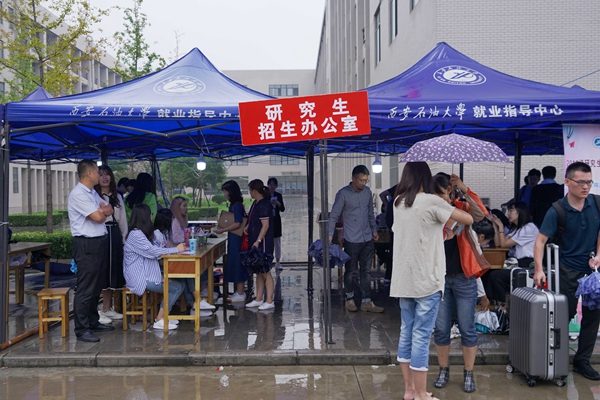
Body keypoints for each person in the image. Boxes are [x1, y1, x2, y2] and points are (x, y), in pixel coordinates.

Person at [391, 162, 473, 400]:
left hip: (404, 279)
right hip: (427, 279)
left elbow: (418, 230)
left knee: (407, 331)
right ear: (425, 178)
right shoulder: (432, 201)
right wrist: (447, 201)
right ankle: (421, 395)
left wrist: (441, 229)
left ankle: (409, 390)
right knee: (421, 335)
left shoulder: (398, 202)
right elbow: (468, 218)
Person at [535, 162, 600, 380]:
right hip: (567, 270)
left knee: (592, 316)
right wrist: (538, 269)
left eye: (589, 182)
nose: (585, 186)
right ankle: (556, 361)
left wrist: (599, 255)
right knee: (563, 316)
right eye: (580, 182)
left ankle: (582, 362)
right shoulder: (558, 210)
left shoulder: (597, 203)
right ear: (567, 182)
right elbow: (540, 241)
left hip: (592, 271)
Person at [432, 173, 486, 393]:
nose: (436, 198)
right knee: (441, 328)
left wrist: (463, 188)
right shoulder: (431, 211)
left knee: (467, 328)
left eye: (440, 193)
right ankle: (443, 370)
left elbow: (481, 214)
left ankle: (468, 373)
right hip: (439, 278)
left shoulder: (461, 207)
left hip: (464, 277)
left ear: (448, 190)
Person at [68, 159, 115, 342]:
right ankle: (81, 329)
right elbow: (98, 217)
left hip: (99, 242)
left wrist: (101, 212)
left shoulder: (92, 193)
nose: (99, 175)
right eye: (97, 172)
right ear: (89, 173)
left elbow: (109, 209)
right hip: (86, 244)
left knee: (96, 286)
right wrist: (100, 213)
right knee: (86, 287)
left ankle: (93, 321)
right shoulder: (78, 194)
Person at [329, 165, 383, 313]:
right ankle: (349, 299)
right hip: (352, 239)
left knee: (366, 271)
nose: (363, 183)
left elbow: (370, 214)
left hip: (367, 238)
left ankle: (367, 301)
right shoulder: (343, 194)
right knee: (351, 270)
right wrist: (329, 234)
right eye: (361, 180)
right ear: (353, 178)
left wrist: (374, 231)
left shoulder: (367, 192)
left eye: (366, 180)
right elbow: (334, 216)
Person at [123, 204, 186, 330]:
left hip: (148, 274)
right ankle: (160, 319)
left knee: (180, 283)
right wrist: (175, 249)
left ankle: (164, 316)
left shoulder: (142, 233)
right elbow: (153, 251)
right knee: (176, 287)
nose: (152, 216)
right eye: (150, 214)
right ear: (145, 216)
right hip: (140, 278)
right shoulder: (136, 234)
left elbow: (155, 249)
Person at [485, 201, 539, 303]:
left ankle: (504, 304)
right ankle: (499, 303)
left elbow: (503, 244)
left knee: (495, 276)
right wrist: (495, 225)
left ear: (521, 212)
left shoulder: (528, 228)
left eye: (511, 210)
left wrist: (501, 226)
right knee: (490, 273)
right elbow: (498, 243)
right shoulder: (517, 228)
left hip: (528, 265)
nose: (508, 214)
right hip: (519, 263)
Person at [94, 165, 127, 325]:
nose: (104, 178)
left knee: (111, 274)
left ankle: (107, 308)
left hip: (114, 234)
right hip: (100, 232)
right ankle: (96, 311)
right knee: (100, 273)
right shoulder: (94, 196)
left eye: (107, 175)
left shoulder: (117, 196)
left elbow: (123, 220)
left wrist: (124, 240)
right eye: (101, 175)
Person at [170, 196, 215, 313]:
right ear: (177, 208)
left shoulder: (182, 221)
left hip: (182, 253)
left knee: (198, 267)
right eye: (184, 206)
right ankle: (197, 299)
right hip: (174, 255)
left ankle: (196, 300)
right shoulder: (175, 221)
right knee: (188, 272)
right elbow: (175, 238)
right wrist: (188, 236)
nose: (186, 208)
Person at [244, 179, 276, 311]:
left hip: (263, 243)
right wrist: (248, 226)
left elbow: (265, 225)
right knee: (258, 271)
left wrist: (258, 240)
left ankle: (269, 300)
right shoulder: (256, 204)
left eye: (250, 190)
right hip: (256, 241)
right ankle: (258, 298)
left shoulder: (264, 205)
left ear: (254, 191)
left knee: (265, 271)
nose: (249, 193)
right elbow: (253, 219)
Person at [216, 180, 249, 303]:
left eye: (226, 192)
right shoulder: (235, 205)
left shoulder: (237, 206)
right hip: (234, 238)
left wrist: (223, 229)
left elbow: (237, 223)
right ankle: (238, 292)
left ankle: (240, 293)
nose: (225, 194)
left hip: (237, 240)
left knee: (238, 264)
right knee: (235, 263)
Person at [267, 178, 285, 270]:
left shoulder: (278, 195)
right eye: (270, 185)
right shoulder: (265, 195)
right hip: (268, 221)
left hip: (276, 221)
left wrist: (278, 203)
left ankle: (278, 262)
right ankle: (268, 261)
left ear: (276, 186)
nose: (272, 187)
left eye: (274, 185)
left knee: (277, 242)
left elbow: (283, 209)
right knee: (268, 243)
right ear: (268, 185)